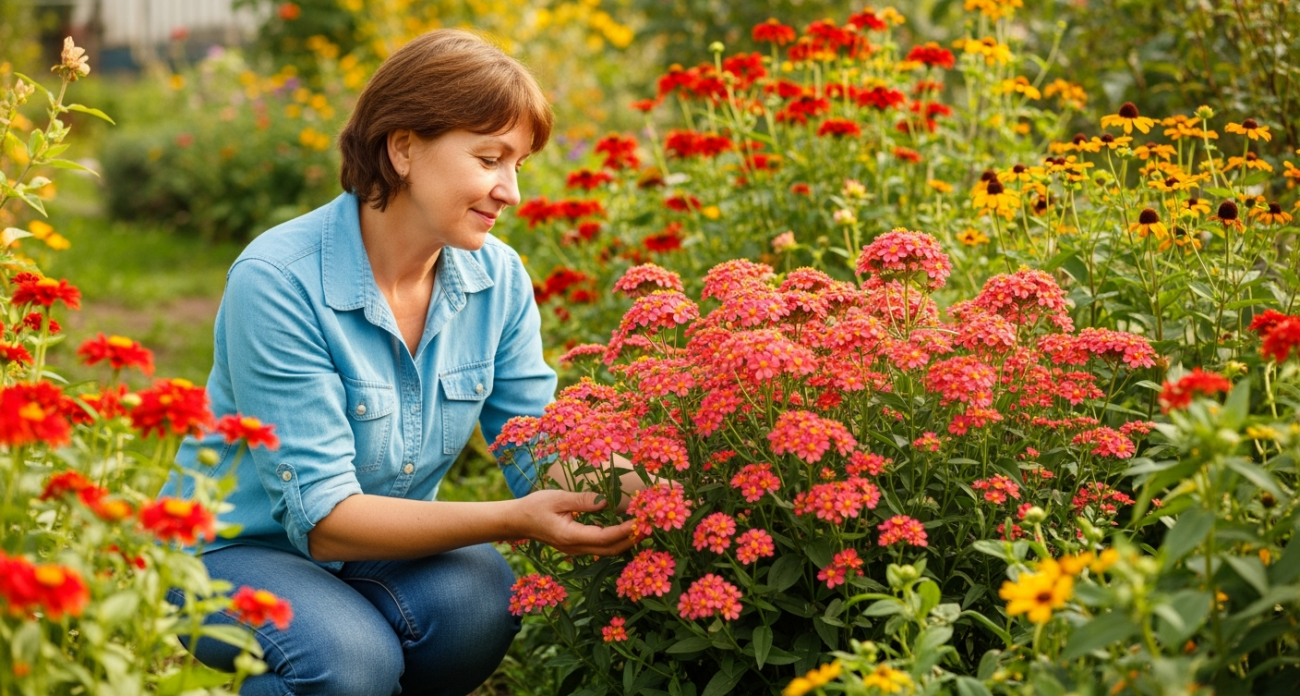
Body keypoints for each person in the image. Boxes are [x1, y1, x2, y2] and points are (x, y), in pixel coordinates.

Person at [162, 29, 637, 696]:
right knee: (352, 661)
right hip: (235, 552)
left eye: (518, 165)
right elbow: (324, 521)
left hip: (380, 545)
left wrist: (652, 489)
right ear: (404, 147)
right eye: (488, 158)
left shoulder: (496, 279)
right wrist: (515, 517)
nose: (511, 191)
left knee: (482, 600)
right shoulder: (279, 280)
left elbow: (539, 439)